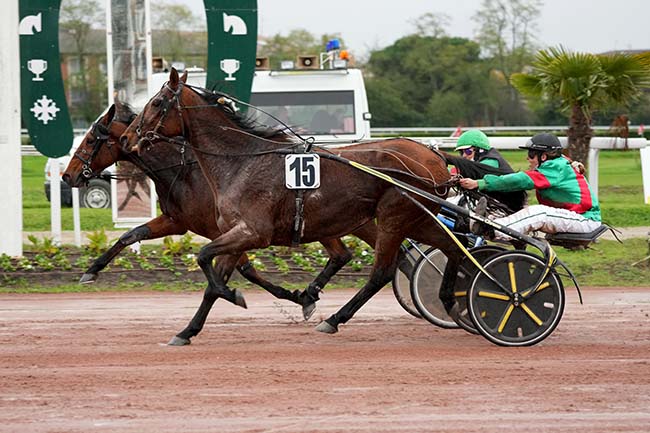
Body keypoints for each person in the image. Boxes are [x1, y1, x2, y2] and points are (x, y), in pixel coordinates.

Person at [459, 132, 601, 240]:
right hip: (574, 216)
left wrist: (480, 183)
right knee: (526, 211)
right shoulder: (557, 165)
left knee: (539, 212)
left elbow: (521, 180)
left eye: (531, 154)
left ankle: (492, 229)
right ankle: (494, 225)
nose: (527, 158)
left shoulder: (555, 167)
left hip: (585, 219)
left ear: (543, 157)